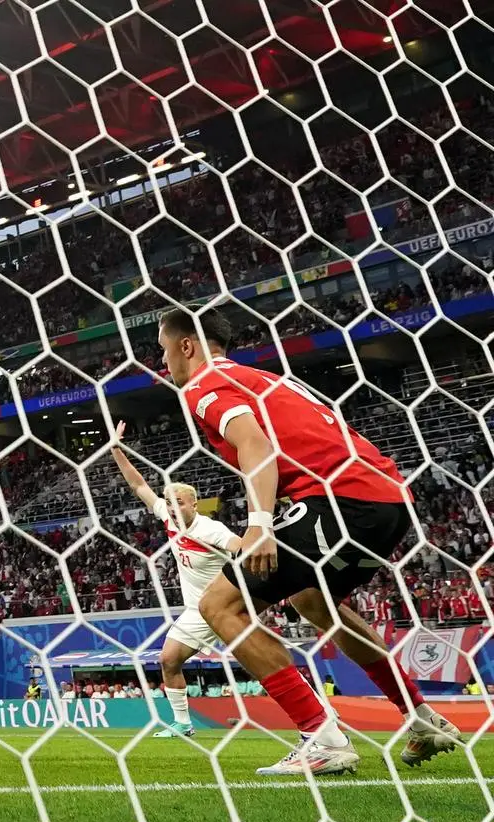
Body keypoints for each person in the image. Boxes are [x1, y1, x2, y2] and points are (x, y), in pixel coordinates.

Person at [157, 307, 461, 775]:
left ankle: (320, 736)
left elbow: (254, 444)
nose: (164, 364)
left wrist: (259, 525)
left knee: (218, 605)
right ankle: (422, 718)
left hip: (339, 500)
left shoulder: (204, 384)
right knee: (313, 602)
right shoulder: (261, 378)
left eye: (163, 350)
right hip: (387, 501)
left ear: (186, 346)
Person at [111, 422, 242, 738]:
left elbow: (242, 548)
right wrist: (116, 449)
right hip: (197, 611)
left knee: (261, 663)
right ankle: (183, 723)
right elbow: (139, 485)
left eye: (179, 503)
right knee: (168, 660)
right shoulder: (168, 518)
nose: (172, 507)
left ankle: (316, 712)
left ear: (194, 505)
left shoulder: (210, 530)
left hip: (224, 606)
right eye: (169, 503)